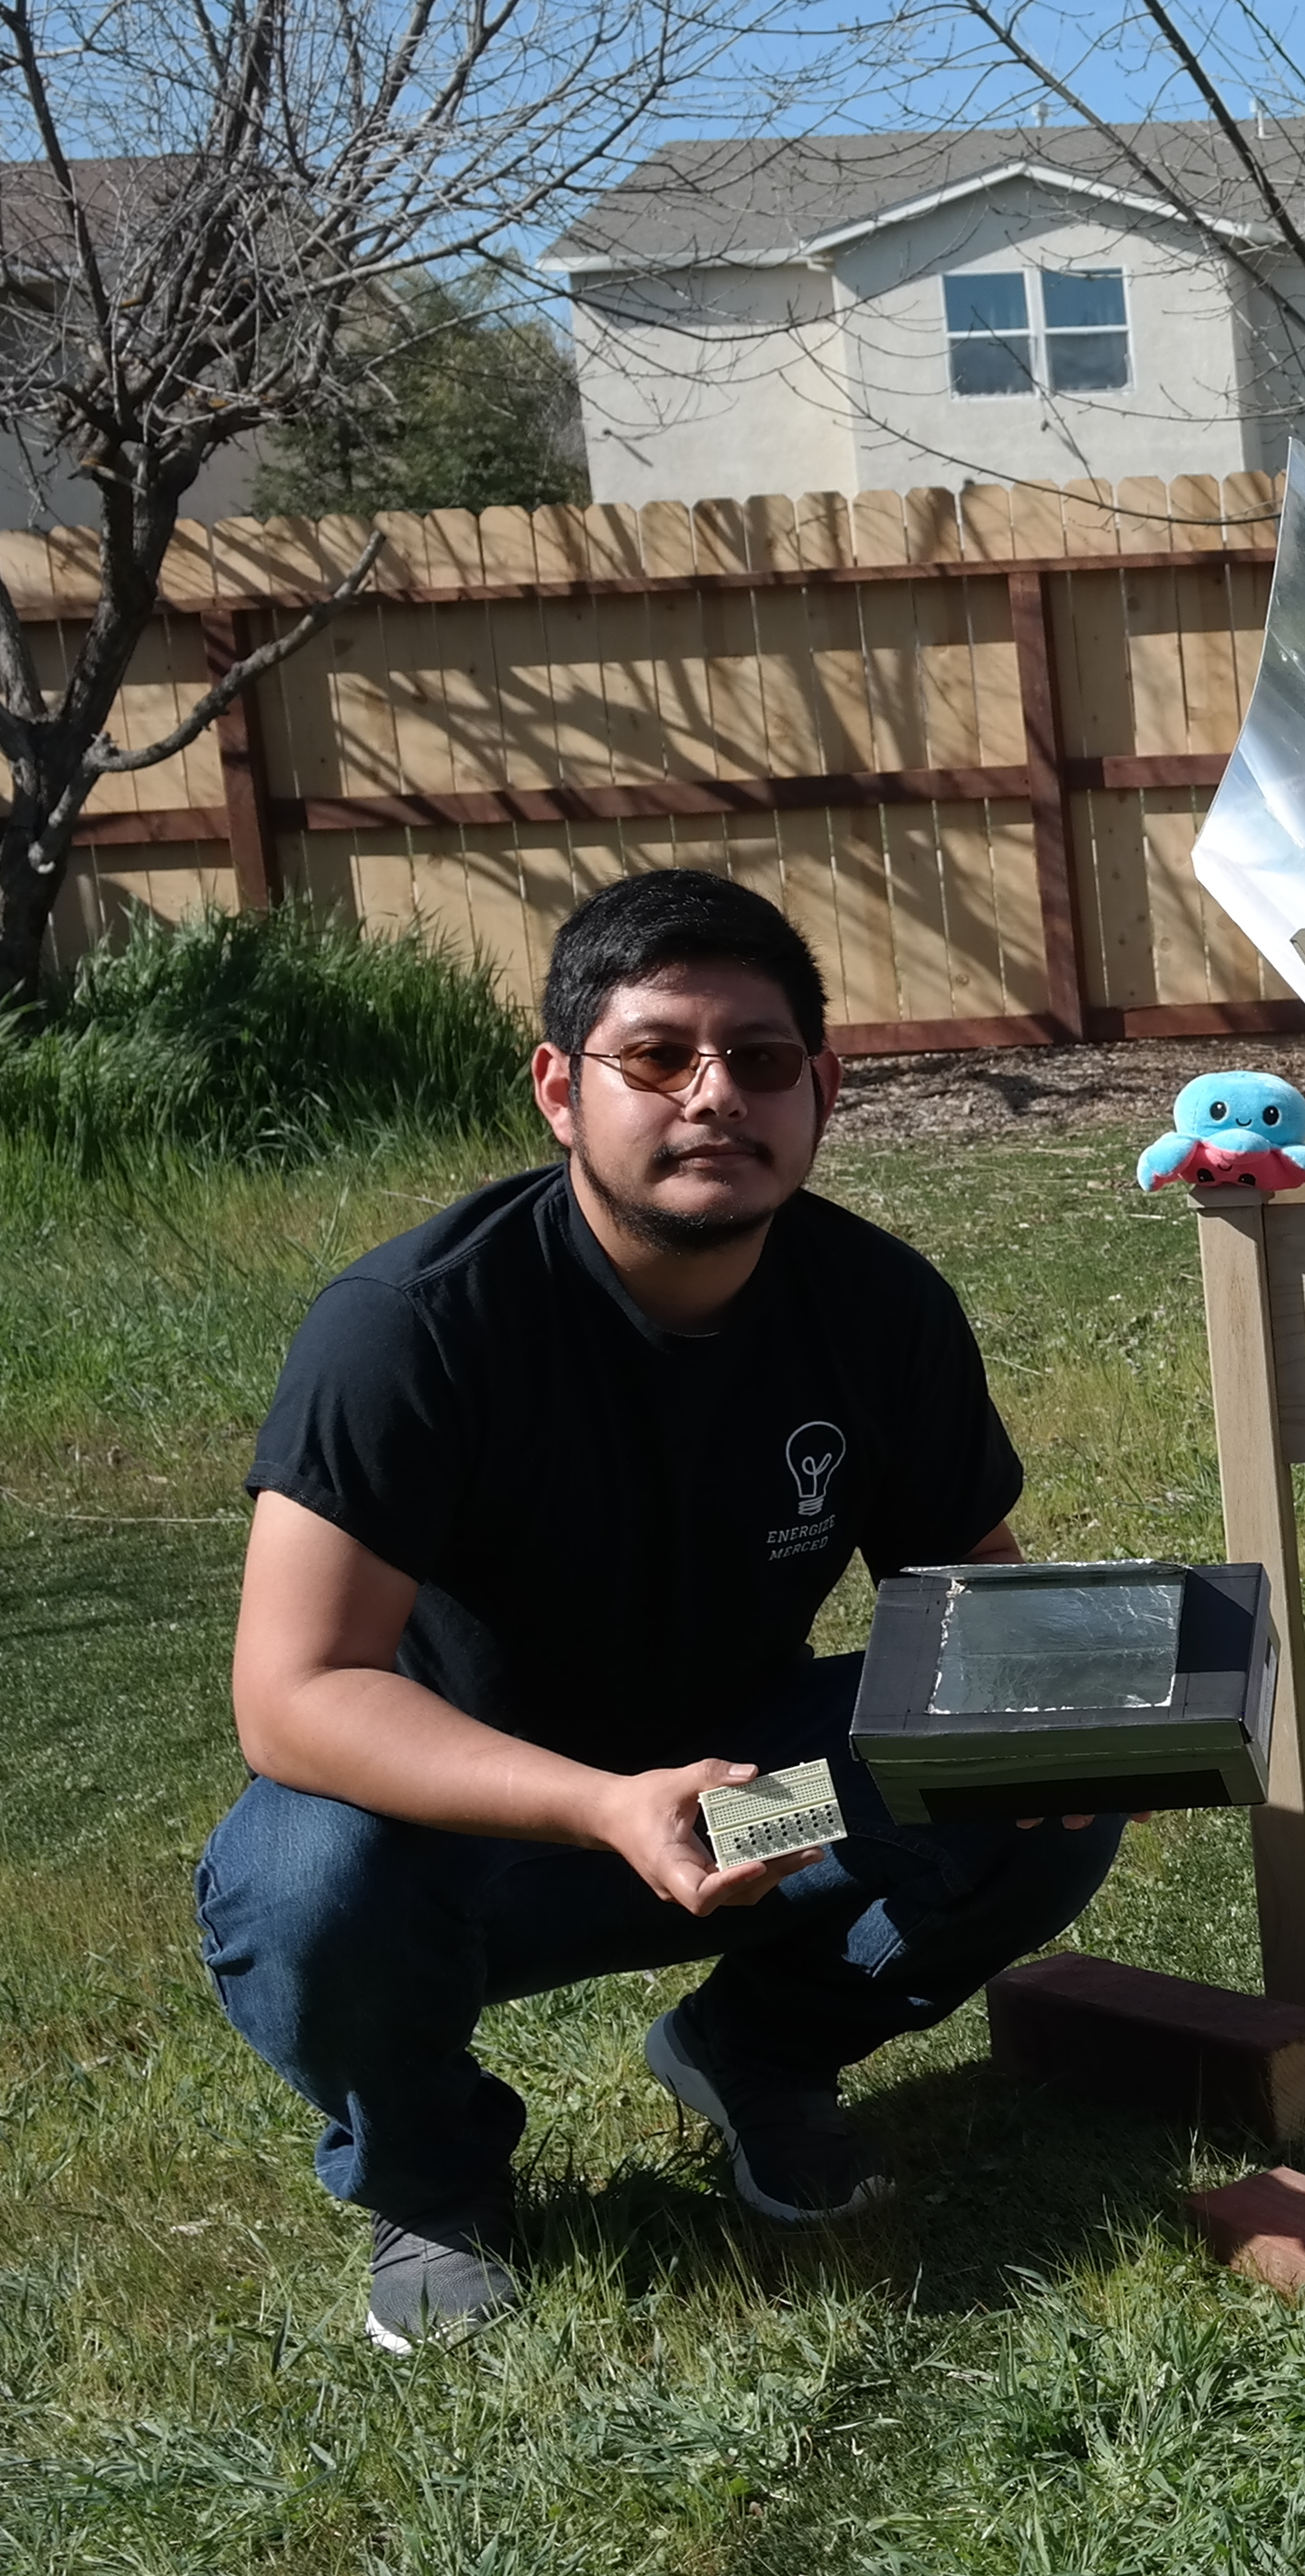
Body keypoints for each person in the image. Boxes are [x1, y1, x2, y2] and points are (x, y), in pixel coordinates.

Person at [201, 872, 1130, 2354]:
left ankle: (756, 2050)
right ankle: (433, 2175)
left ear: (822, 1089)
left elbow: (979, 1624)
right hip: (468, 1848)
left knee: (1037, 1778)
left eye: (761, 1060)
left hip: (754, 1813)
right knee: (302, 1883)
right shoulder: (410, 1329)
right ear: (562, 1089)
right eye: (658, 1057)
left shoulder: (879, 1311)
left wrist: (1105, 1717)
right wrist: (603, 1803)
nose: (716, 1095)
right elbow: (294, 1690)